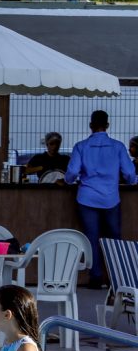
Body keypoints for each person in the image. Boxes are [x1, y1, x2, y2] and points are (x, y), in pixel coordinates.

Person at [65, 110, 137, 289]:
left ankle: (95, 277)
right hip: (111, 198)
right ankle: (118, 279)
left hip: (87, 198)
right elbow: (129, 173)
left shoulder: (81, 146)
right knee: (114, 240)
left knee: (91, 238)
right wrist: (132, 180)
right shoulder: (118, 146)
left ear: (90, 125)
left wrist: (67, 180)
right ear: (108, 125)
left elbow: (72, 173)